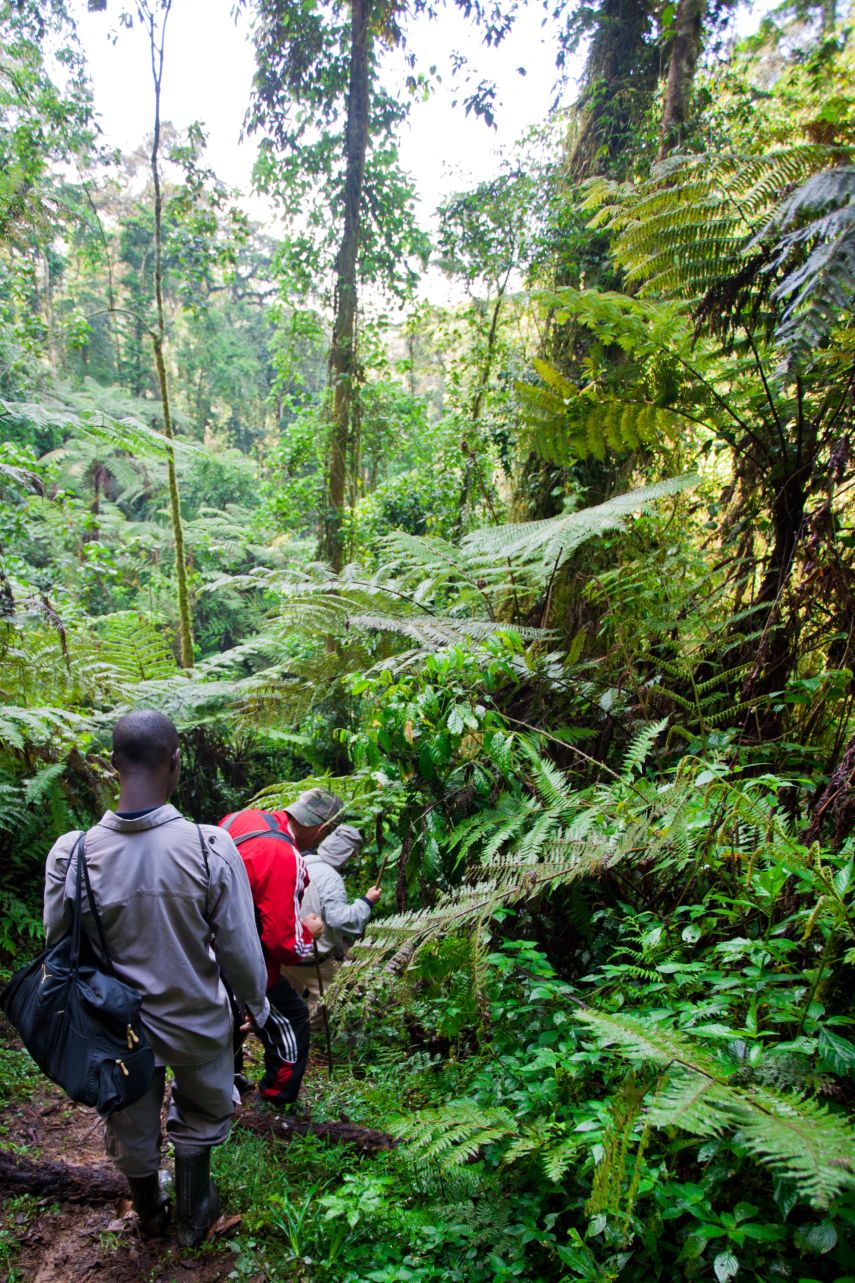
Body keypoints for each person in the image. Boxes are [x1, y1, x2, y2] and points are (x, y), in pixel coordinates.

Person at [43, 710, 269, 1249]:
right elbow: (239, 948)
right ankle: (194, 1217)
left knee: (132, 1123)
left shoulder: (71, 853)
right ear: (175, 763)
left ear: (114, 764)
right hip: (197, 1023)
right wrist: (258, 1005)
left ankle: (150, 1215)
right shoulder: (209, 846)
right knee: (204, 1111)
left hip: (116, 1033)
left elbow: (58, 944)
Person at [219, 788, 343, 1105]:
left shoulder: (237, 819)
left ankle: (226, 1080)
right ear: (321, 829)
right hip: (244, 960)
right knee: (293, 1019)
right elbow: (283, 943)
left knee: (228, 1017)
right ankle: (274, 1100)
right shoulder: (284, 855)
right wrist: (309, 930)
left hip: (205, 947)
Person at [280, 824, 381, 1028]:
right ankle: (305, 1042)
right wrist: (367, 901)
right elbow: (341, 920)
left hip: (287, 952)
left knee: (287, 1003)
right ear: (347, 854)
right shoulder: (329, 878)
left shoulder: (299, 861)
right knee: (324, 1006)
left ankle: (284, 1037)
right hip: (313, 959)